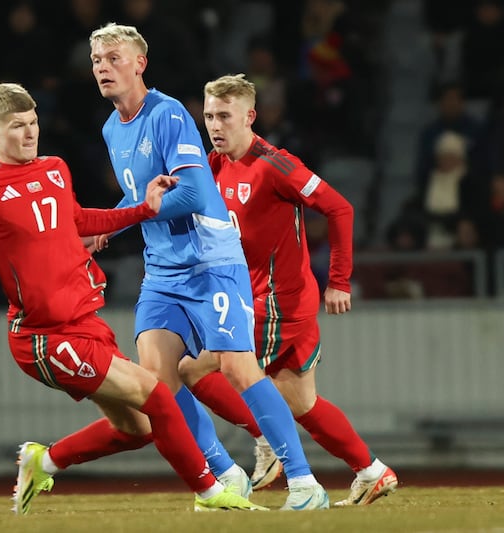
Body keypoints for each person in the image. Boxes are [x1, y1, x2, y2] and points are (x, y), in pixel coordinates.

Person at [0, 82, 265, 514]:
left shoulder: (55, 168)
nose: (30, 134)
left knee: (138, 428)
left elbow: (80, 219)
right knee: (157, 395)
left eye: (33, 123)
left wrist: (145, 209)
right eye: (17, 127)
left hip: (85, 321)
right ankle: (212, 493)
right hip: (44, 336)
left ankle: (42, 461)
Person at [86, 23, 329, 510]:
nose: (103, 68)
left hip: (210, 260)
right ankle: (225, 473)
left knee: (239, 368)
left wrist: (129, 216)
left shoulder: (169, 113)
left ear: (140, 63)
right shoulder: (112, 127)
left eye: (114, 58)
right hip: (162, 272)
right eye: (96, 61)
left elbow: (196, 192)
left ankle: (305, 484)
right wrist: (109, 224)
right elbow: (144, 195)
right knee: (156, 380)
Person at [183, 72, 398, 506]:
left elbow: (339, 208)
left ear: (250, 116)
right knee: (301, 403)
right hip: (262, 299)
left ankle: (264, 439)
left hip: (278, 302)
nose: (215, 125)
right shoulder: (213, 165)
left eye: (225, 116)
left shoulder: (276, 164)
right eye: (209, 116)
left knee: (193, 369)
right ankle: (372, 470)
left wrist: (339, 280)